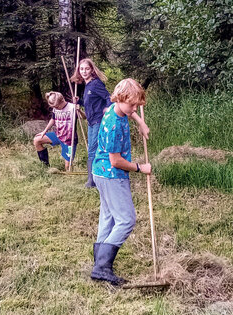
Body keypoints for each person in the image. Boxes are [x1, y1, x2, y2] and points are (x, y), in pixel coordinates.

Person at [90, 78, 152, 286]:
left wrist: (140, 122)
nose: (134, 108)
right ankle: (101, 267)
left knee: (108, 216)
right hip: (111, 175)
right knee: (126, 219)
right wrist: (139, 168)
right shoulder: (114, 125)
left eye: (137, 105)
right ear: (120, 98)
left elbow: (129, 109)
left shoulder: (115, 108)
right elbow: (116, 161)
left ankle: (100, 261)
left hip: (100, 173)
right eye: (132, 104)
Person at [71, 58, 150, 188]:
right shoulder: (87, 86)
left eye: (87, 68)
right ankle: (96, 177)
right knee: (93, 150)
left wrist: (108, 109)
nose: (84, 71)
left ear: (92, 70)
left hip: (98, 121)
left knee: (92, 151)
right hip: (91, 122)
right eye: (81, 69)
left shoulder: (96, 84)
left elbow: (110, 99)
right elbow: (90, 103)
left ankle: (92, 182)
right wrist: (78, 102)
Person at [33, 92, 79, 171]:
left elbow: (84, 117)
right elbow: (53, 119)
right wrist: (44, 131)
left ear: (62, 100)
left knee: (68, 168)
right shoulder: (56, 107)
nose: (56, 108)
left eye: (57, 106)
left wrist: (79, 111)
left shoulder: (72, 107)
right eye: (54, 107)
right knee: (37, 140)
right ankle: (45, 167)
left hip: (69, 140)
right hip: (58, 135)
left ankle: (69, 167)